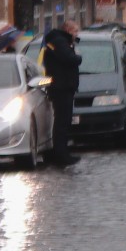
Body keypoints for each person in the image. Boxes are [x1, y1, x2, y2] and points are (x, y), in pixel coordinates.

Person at [41, 19, 82, 166]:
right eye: (75, 31)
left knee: (63, 121)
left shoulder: (59, 41)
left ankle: (63, 152)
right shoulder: (59, 42)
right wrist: (78, 57)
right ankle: (61, 154)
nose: (77, 34)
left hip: (63, 86)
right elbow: (69, 59)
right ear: (68, 30)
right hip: (61, 87)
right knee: (62, 122)